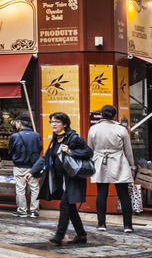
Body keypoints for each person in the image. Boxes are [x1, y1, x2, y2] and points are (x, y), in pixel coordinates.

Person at [32, 112, 94, 245]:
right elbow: (45, 157)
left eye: (57, 122)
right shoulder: (55, 139)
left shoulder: (74, 138)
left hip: (72, 178)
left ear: (65, 124)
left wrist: (70, 151)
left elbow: (89, 152)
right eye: (52, 122)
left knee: (64, 205)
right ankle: (81, 235)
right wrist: (32, 172)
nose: (53, 124)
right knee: (70, 208)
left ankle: (59, 236)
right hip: (59, 179)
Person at [88, 104, 136, 233]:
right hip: (119, 161)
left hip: (100, 162)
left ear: (101, 114)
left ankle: (101, 223)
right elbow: (128, 150)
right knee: (124, 194)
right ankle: (127, 225)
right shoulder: (121, 129)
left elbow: (90, 149)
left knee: (101, 193)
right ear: (115, 115)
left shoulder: (93, 129)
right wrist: (132, 166)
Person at [9, 115, 43, 219]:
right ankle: (34, 211)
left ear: (19, 123)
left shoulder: (15, 136)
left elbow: (10, 151)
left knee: (20, 188)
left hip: (19, 166)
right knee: (34, 188)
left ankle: (22, 211)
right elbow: (40, 149)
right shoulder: (36, 135)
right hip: (33, 166)